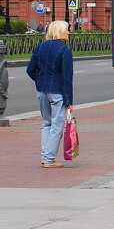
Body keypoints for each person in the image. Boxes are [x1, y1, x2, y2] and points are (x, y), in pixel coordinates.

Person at [26, 20, 74, 168]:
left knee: (46, 123)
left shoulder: (40, 47)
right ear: (60, 31)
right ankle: (49, 159)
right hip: (57, 93)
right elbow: (66, 78)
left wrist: (40, 82)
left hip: (42, 91)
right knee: (57, 126)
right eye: (67, 30)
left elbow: (30, 69)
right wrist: (69, 101)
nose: (69, 32)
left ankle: (44, 156)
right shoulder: (64, 50)